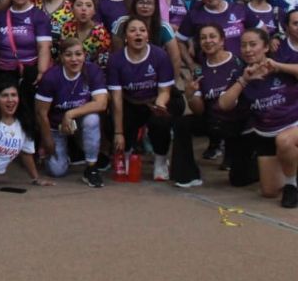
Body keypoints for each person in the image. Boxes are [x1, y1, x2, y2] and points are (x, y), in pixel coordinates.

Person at [217, 27, 298, 208]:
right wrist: (244, 81)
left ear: (266, 47)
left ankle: (292, 185)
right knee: (269, 192)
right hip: (266, 133)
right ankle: (289, 164)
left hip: (294, 124)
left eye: (253, 44)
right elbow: (224, 104)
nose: (248, 50)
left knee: (284, 141)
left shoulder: (282, 61)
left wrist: (278, 67)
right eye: (244, 45)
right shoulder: (241, 74)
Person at [108, 17, 188, 184]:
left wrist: (160, 104)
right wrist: (118, 133)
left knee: (160, 121)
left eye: (142, 30)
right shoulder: (116, 60)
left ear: (148, 36)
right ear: (125, 37)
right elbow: (116, 98)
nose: (138, 33)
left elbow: (165, 90)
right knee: (116, 119)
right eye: (132, 30)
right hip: (130, 101)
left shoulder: (160, 55)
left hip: (156, 99)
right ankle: (126, 154)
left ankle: (160, 160)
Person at [183, 24, 256, 187]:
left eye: (212, 36)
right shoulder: (199, 71)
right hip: (213, 120)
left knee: (239, 180)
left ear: (222, 40)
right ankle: (186, 175)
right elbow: (199, 110)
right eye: (203, 38)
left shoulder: (239, 62)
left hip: (239, 121)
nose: (208, 41)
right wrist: (190, 96)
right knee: (182, 123)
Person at [34, 39, 108, 187]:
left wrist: (70, 114)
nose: (74, 59)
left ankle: (91, 168)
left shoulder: (92, 70)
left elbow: (101, 103)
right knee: (57, 171)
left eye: (78, 54)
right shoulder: (51, 77)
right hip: (56, 126)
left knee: (92, 119)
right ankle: (69, 153)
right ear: (61, 57)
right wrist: (47, 138)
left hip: (79, 122)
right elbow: (41, 112)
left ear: (84, 55)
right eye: (68, 55)